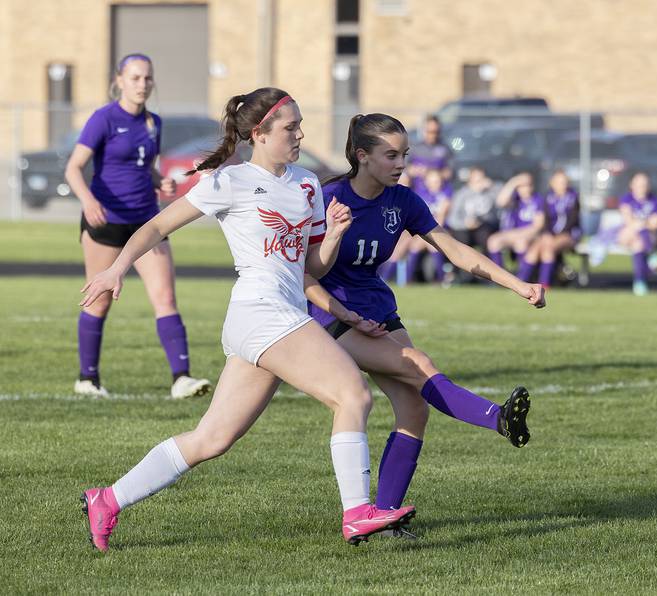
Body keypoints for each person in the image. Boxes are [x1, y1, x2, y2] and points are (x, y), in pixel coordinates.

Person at [78, 89, 415, 552]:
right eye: (289, 127)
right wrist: (116, 267)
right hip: (260, 311)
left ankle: (107, 499)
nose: (300, 134)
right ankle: (358, 512)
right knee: (352, 394)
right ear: (258, 134)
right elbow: (157, 226)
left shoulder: (307, 185)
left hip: (279, 314)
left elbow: (311, 267)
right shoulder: (230, 181)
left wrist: (334, 235)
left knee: (212, 439)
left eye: (299, 125)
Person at [301, 113, 546, 524]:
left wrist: (518, 284)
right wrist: (340, 309)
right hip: (331, 311)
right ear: (362, 156)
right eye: (390, 155)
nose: (401, 164)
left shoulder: (404, 201)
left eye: (405, 155)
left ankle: (388, 515)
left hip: (377, 307)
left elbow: (456, 250)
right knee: (420, 365)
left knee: (414, 408)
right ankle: (498, 418)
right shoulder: (330, 198)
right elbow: (303, 270)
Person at [64, 53, 210, 399]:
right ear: (119, 81)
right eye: (134, 78)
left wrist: (161, 182)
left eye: (147, 78)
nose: (142, 84)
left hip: (147, 222)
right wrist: (88, 200)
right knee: (98, 301)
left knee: (165, 297)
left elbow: (146, 167)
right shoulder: (103, 119)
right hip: (106, 221)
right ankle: (87, 379)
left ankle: (181, 378)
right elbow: (74, 168)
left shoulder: (153, 123)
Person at [383, 168, 452, 283]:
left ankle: (441, 279)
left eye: (437, 181)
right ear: (426, 182)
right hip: (421, 230)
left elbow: (440, 219)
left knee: (429, 244)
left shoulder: (445, 194)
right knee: (406, 245)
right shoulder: (421, 193)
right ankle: (394, 280)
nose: (434, 184)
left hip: (440, 229)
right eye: (431, 181)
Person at [525, 170, 581, 288]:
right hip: (549, 235)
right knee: (534, 250)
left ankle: (544, 285)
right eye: (559, 182)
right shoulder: (548, 197)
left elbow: (573, 220)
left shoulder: (573, 197)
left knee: (548, 249)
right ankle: (521, 282)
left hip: (568, 234)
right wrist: (547, 234)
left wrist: (556, 235)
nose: (562, 185)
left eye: (565, 182)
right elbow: (546, 219)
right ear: (552, 183)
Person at [486, 172, 544, 282]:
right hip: (512, 234)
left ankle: (522, 279)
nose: (525, 189)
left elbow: (538, 226)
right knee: (493, 241)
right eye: (521, 186)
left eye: (527, 185)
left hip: (530, 236)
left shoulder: (538, 200)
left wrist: (518, 234)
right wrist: (514, 182)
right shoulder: (515, 199)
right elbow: (500, 202)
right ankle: (500, 278)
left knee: (520, 243)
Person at [616, 172, 657, 296]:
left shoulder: (654, 201)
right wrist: (644, 223)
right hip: (629, 235)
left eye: (644, 184)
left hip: (646, 237)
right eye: (639, 184)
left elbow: (656, 224)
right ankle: (651, 257)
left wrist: (641, 224)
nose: (642, 187)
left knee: (638, 244)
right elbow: (629, 221)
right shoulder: (627, 199)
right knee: (635, 232)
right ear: (632, 185)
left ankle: (639, 282)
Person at [446, 166, 502, 268]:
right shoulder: (461, 194)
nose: (479, 184)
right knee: (462, 240)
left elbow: (502, 200)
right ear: (469, 181)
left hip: (483, 227)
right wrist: (465, 224)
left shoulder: (491, 192)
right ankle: (464, 273)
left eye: (481, 180)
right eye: (476, 181)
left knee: (486, 237)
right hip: (463, 228)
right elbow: (452, 219)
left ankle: (487, 271)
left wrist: (492, 186)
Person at [407, 115, 453, 188]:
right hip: (417, 191)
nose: (433, 135)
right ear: (423, 130)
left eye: (436, 132)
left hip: (438, 193)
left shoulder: (445, 149)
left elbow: (451, 172)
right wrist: (414, 171)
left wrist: (434, 175)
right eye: (430, 131)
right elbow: (405, 169)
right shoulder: (414, 149)